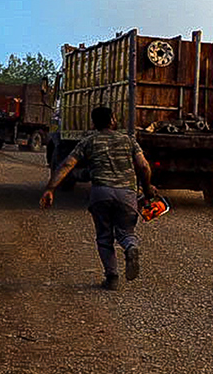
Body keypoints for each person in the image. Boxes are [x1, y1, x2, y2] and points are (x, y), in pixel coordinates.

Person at [40, 105, 157, 290]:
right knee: (126, 232)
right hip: (126, 194)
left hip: (100, 193)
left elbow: (67, 165)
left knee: (104, 237)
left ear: (93, 123)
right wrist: (148, 188)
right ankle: (130, 246)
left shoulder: (88, 142)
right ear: (112, 120)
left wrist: (50, 189)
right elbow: (143, 166)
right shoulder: (128, 140)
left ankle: (112, 278)